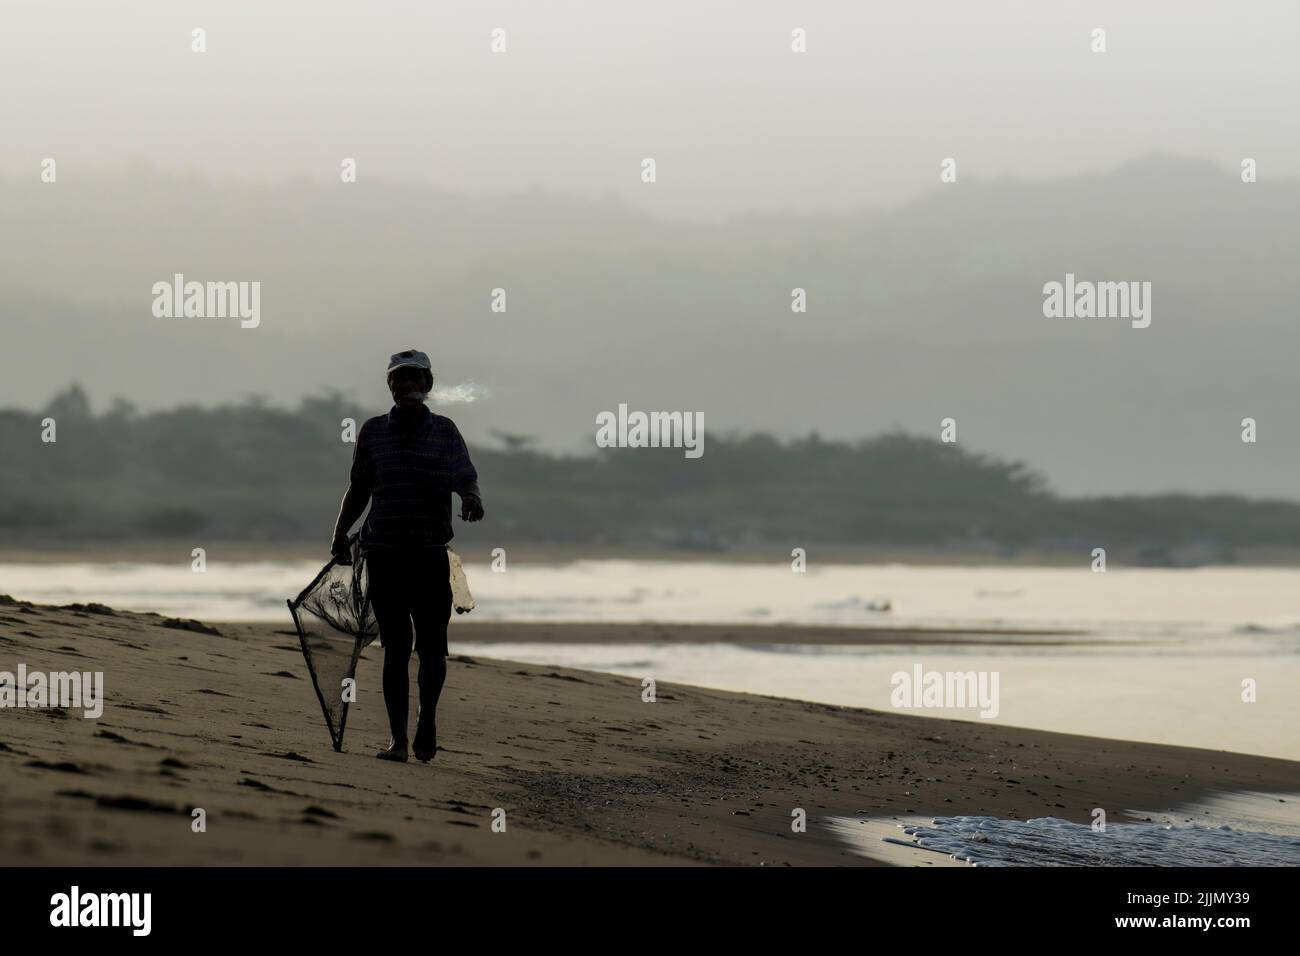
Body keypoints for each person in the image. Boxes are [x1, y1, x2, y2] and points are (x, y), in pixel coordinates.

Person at [331, 349, 484, 762]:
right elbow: (359, 487)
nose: (406, 385)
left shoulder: (447, 431)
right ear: (390, 386)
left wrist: (472, 498)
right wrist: (340, 532)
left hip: (431, 554)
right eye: (398, 379)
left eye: (414, 379)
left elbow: (465, 477)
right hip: (384, 553)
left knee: (433, 649)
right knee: (396, 647)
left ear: (428, 386)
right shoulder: (373, 431)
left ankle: (427, 719)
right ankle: (398, 740)